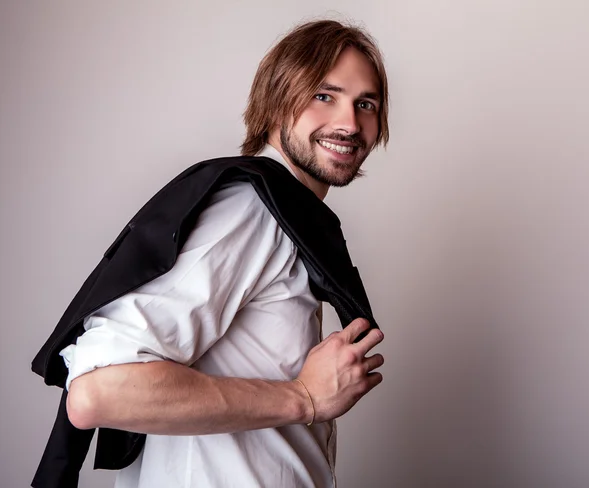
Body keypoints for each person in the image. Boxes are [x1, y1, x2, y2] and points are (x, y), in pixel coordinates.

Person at [62, 19, 390, 488]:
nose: (349, 122)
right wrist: (303, 397)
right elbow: (100, 390)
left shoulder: (287, 218)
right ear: (278, 99)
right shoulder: (252, 211)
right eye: (324, 95)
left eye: (366, 104)